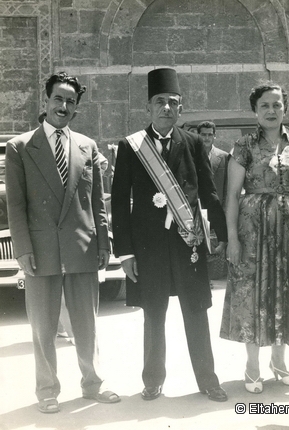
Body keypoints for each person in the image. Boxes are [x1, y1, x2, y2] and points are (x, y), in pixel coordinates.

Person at [5, 71, 120, 413]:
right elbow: (16, 204)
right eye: (59, 99)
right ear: (47, 100)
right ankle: (47, 390)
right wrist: (22, 249)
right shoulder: (21, 146)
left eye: (71, 101)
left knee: (87, 323)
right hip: (40, 249)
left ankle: (93, 383)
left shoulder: (87, 145)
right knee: (43, 326)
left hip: (82, 247)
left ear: (76, 108)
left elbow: (97, 199)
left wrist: (103, 242)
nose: (64, 106)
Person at [111, 68, 228, 402]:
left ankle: (208, 380)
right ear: (148, 107)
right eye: (159, 102)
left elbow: (208, 192)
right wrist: (126, 253)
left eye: (172, 102)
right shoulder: (131, 146)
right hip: (147, 248)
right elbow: (119, 203)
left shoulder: (192, 143)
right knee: (153, 314)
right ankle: (152, 380)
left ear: (181, 108)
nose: (166, 108)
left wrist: (222, 235)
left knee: (195, 312)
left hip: (186, 243)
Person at [220, 81, 289, 394]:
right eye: (265, 105)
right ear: (255, 110)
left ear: (285, 109)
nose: (271, 110)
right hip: (254, 232)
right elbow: (233, 195)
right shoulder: (244, 146)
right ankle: (252, 368)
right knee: (252, 294)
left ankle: (279, 365)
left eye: (277, 105)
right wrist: (233, 239)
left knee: (286, 292)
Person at [197, 121, 228, 208]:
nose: (207, 138)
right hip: (198, 208)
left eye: (210, 135)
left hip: (217, 207)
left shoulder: (224, 157)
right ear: (198, 135)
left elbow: (227, 188)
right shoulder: (192, 156)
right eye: (203, 135)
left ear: (214, 136)